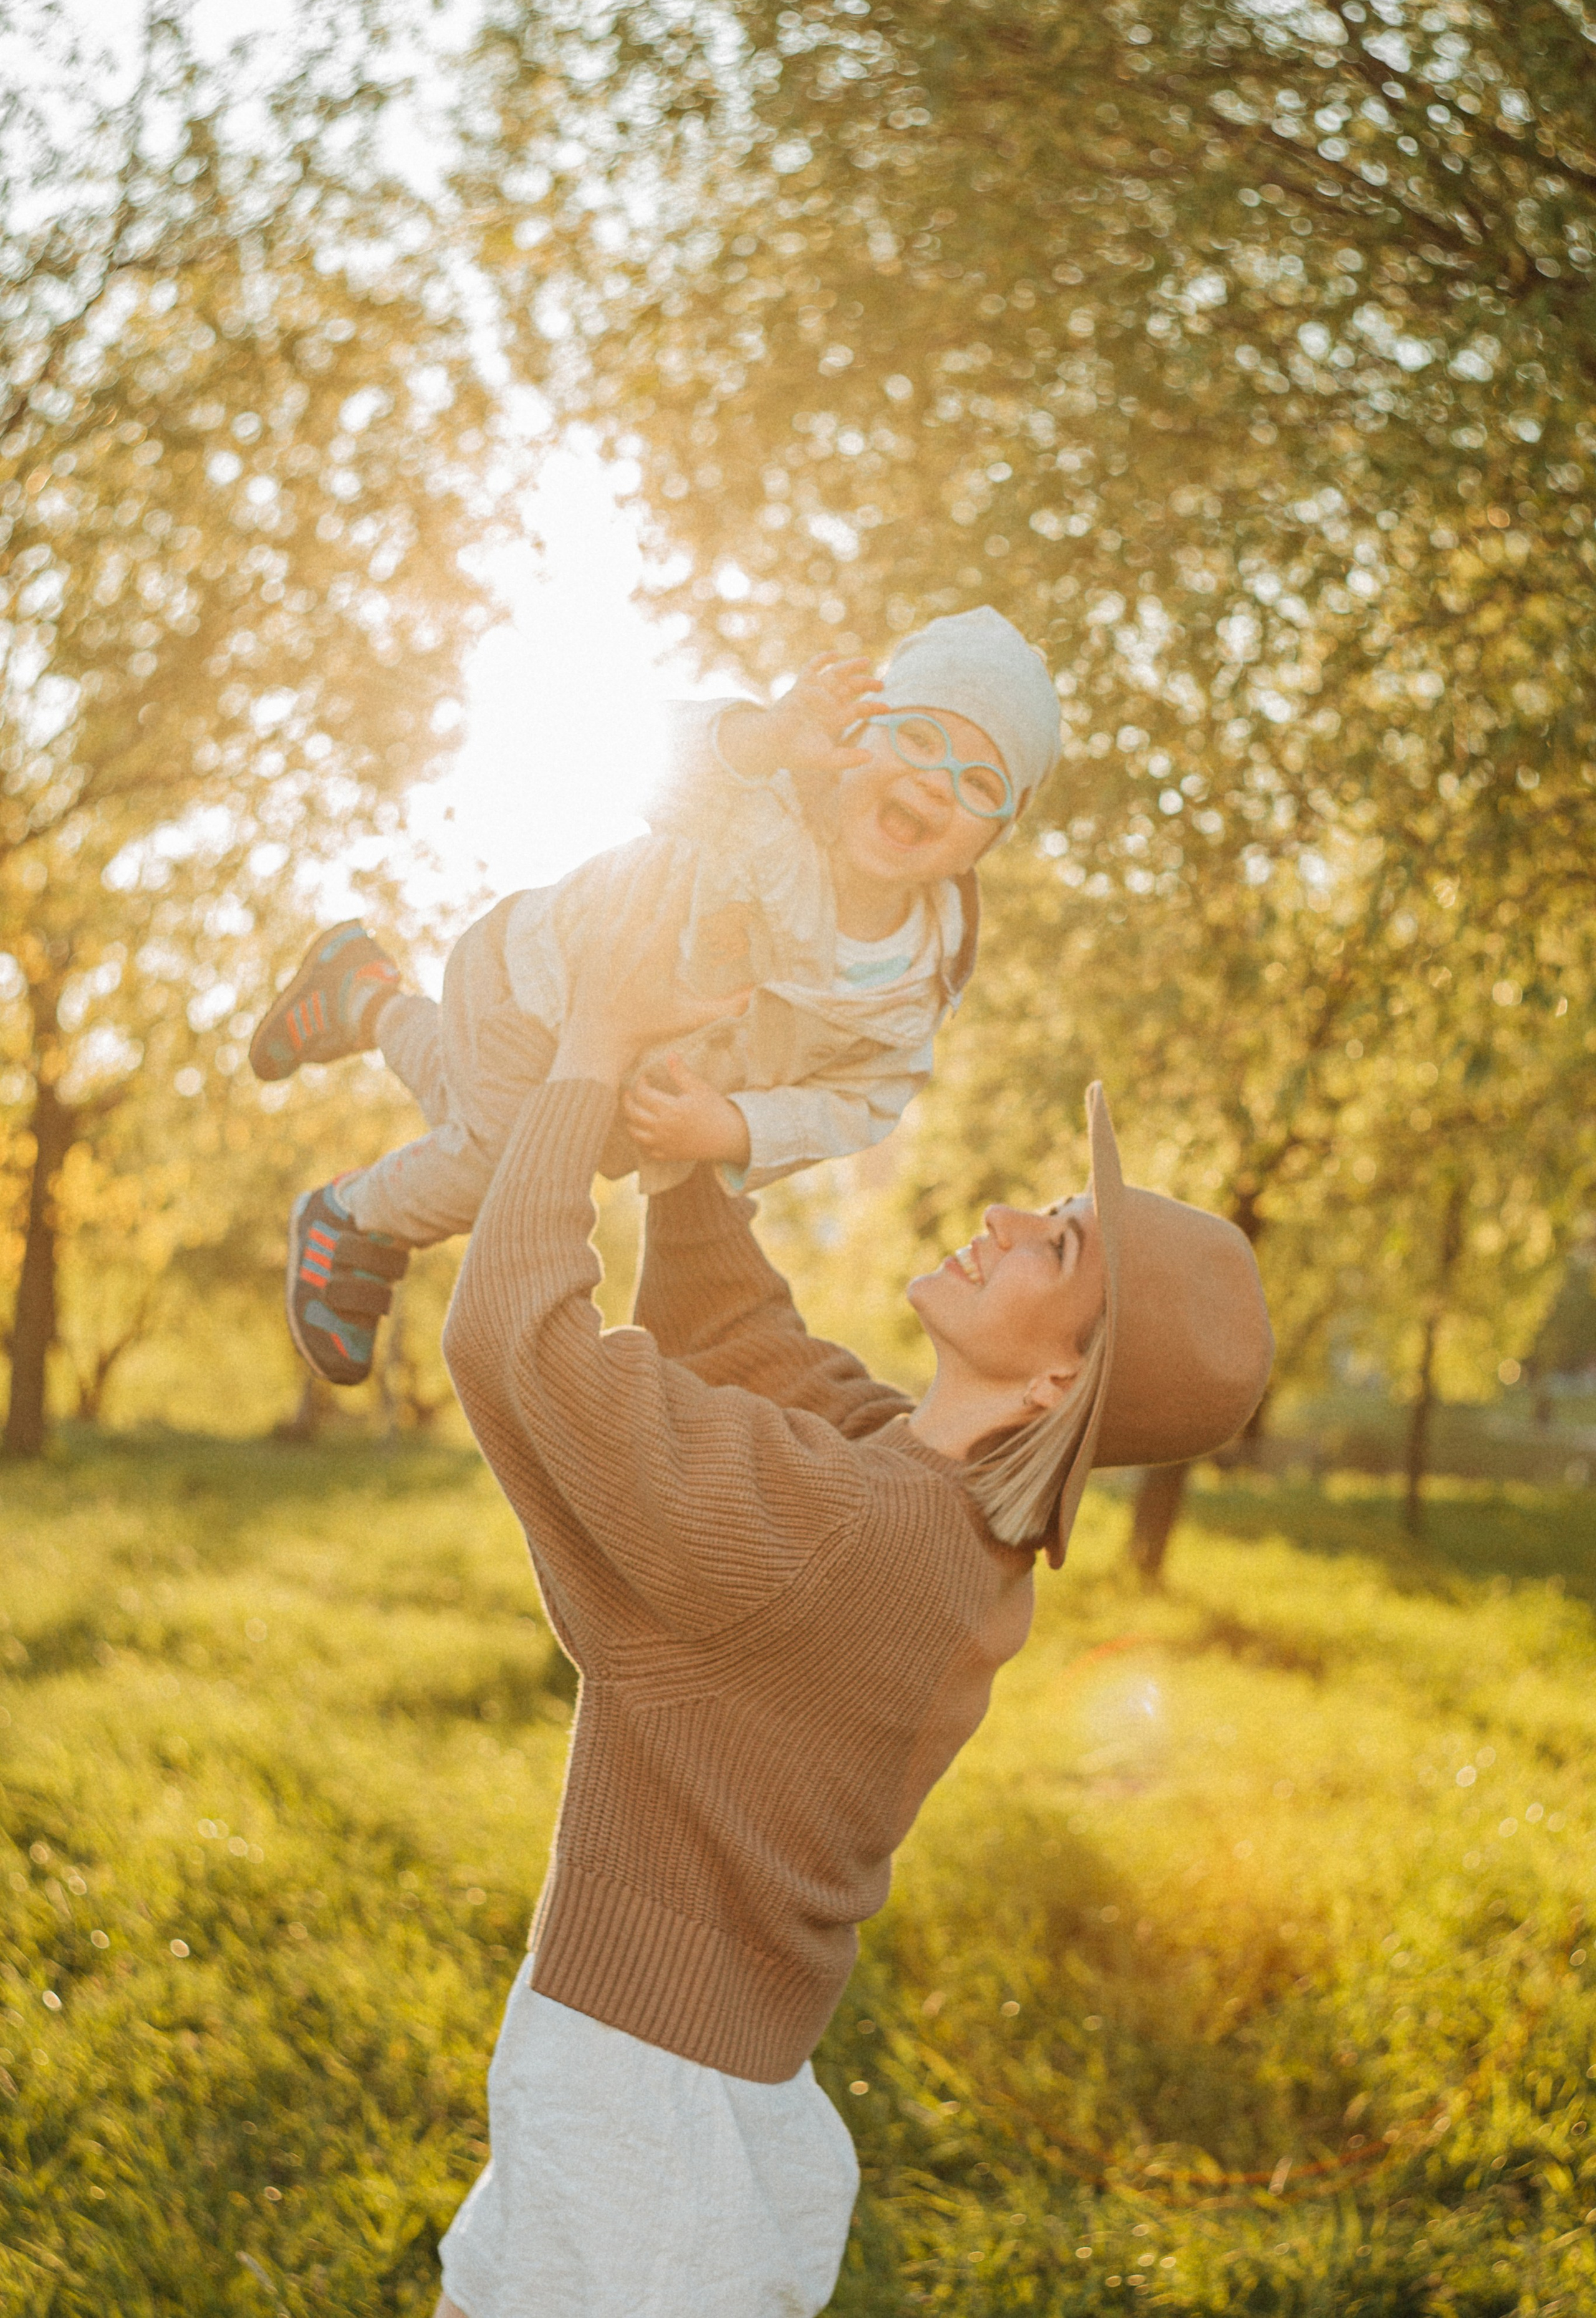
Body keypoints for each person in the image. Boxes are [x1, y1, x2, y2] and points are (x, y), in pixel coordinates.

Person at [375, 861, 1274, 2318]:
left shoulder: (855, 1528)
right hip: (721, 2086)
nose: (997, 1214)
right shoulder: (938, 1515)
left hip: (638, 2104)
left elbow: (513, 1340)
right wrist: (682, 1131)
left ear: (1060, 1378)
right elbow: (741, 1337)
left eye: (1053, 1243)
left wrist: (592, 1052)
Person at [248, 606, 1061, 1387]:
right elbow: (651, 760)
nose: (933, 782)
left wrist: (736, 1126)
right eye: (917, 738)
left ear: (991, 839)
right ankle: (350, 1218)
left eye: (980, 781)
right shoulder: (771, 805)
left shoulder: (918, 985)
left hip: (622, 1096)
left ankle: (362, 995)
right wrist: (765, 737)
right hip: (540, 990)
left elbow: (858, 1103)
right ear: (856, 736)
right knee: (508, 1171)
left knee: (473, 1115)